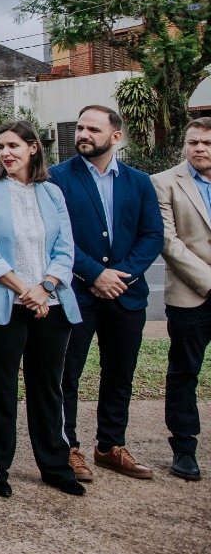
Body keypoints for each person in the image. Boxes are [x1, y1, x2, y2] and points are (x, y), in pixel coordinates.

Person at [0, 119, 84, 498]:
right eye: (1, 147)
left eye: (14, 146)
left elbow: (65, 248)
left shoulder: (52, 193)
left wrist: (45, 287)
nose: (6, 153)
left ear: (33, 148)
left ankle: (54, 464)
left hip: (49, 304)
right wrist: (24, 289)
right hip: (3, 305)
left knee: (48, 386)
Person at [49, 104, 164, 482]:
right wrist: (96, 274)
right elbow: (57, 237)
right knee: (67, 374)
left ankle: (110, 446)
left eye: (92, 129)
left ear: (116, 137)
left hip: (126, 297)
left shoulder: (139, 182)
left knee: (120, 374)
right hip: (77, 294)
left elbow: (152, 236)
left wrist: (121, 276)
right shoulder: (57, 179)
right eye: (80, 127)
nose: (82, 134)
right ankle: (69, 448)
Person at [153, 118, 211, 481]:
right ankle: (184, 448)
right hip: (191, 295)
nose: (200, 148)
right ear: (184, 144)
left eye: (206, 142)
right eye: (194, 142)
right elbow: (169, 242)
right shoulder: (163, 182)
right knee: (184, 372)